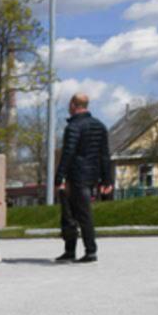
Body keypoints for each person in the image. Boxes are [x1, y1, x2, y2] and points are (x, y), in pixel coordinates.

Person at [54, 93, 113, 263]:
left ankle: (88, 251)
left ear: (73, 104)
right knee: (81, 213)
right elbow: (104, 155)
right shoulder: (100, 126)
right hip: (92, 175)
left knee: (73, 214)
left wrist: (59, 178)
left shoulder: (73, 127)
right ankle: (72, 251)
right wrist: (106, 180)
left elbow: (68, 153)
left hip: (75, 175)